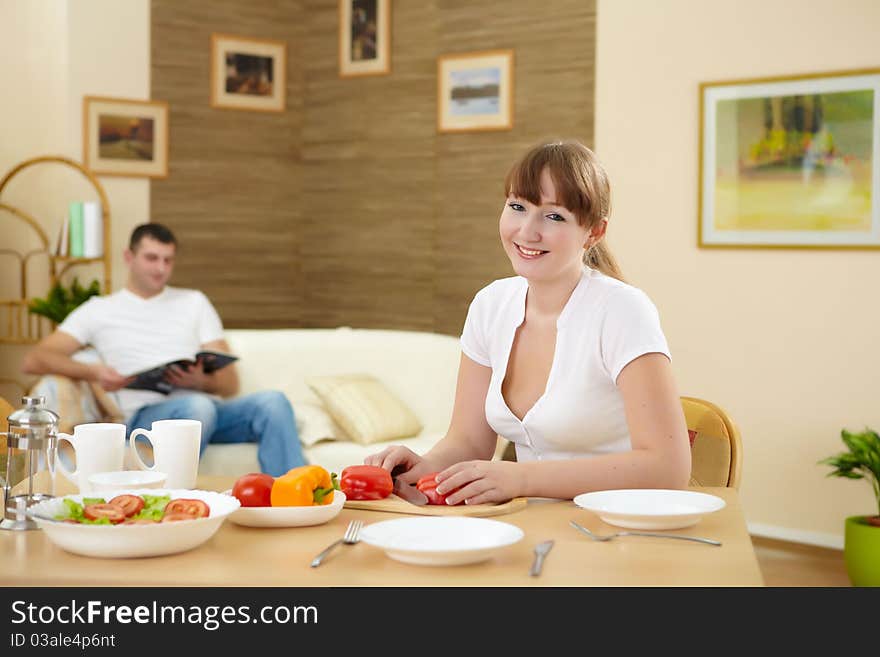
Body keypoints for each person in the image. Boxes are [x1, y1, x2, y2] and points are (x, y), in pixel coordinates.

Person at [366, 140, 691, 504]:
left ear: (594, 232)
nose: (527, 231)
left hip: (616, 530)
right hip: (527, 528)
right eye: (517, 207)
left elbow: (668, 468)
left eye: (554, 216)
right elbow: (469, 443)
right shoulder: (490, 305)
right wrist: (421, 468)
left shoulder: (622, 311)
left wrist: (520, 478)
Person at [22, 223, 306, 477]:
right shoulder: (99, 309)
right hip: (145, 419)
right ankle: (172, 500)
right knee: (198, 406)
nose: (160, 268)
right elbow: (35, 360)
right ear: (129, 257)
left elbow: (231, 384)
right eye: (152, 258)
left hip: (206, 413)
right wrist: (94, 372)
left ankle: (298, 499)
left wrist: (201, 381)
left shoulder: (194, 302)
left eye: (168, 260)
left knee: (273, 402)